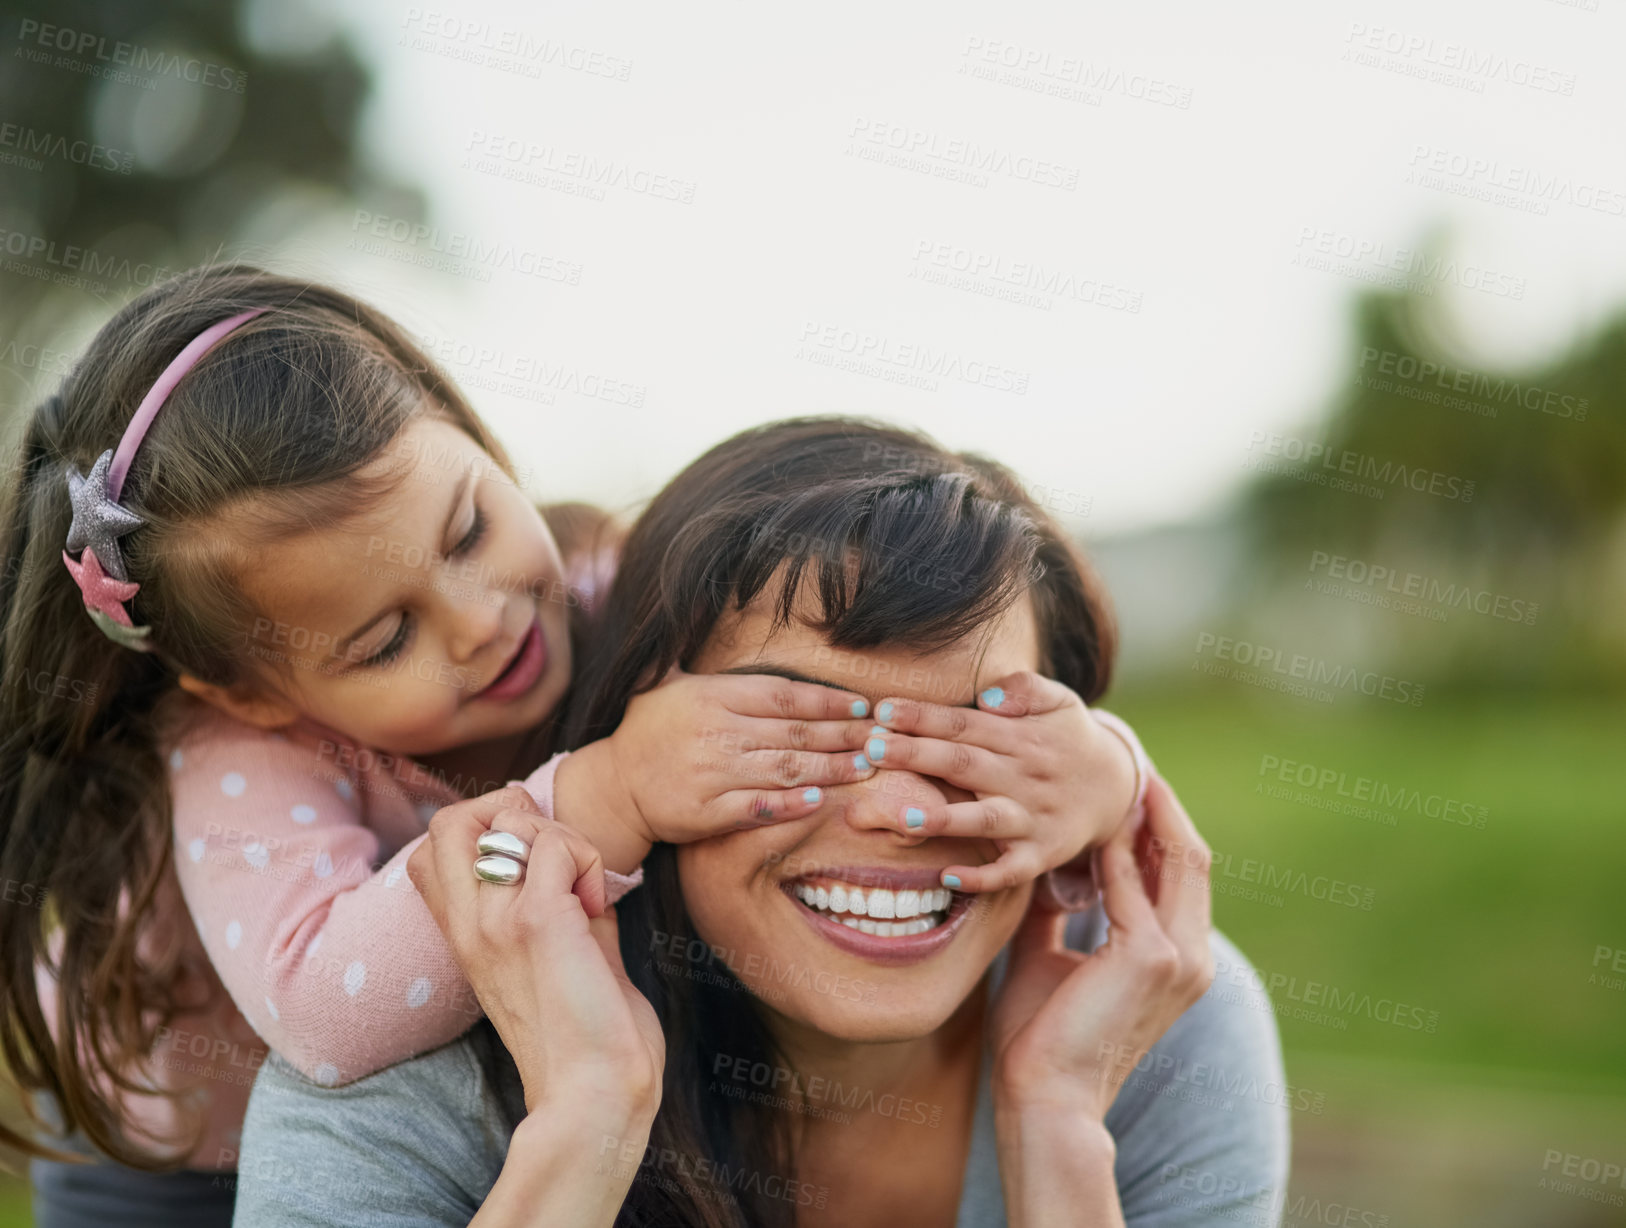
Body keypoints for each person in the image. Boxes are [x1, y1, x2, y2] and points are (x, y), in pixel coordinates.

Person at [0, 275, 1147, 1226]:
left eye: (470, 529)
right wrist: (601, 791)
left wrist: (1101, 770)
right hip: (180, 1158)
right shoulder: (231, 753)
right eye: (386, 637)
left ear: (469, 429)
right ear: (243, 683)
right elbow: (323, 1017)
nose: (483, 619)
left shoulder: (599, 586)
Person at [233, 418, 1290, 1227]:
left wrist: (1058, 1127)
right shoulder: (421, 1074)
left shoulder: (1157, 1028)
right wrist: (584, 1129)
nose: (902, 810)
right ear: (631, 745)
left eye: (977, 742)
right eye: (794, 734)